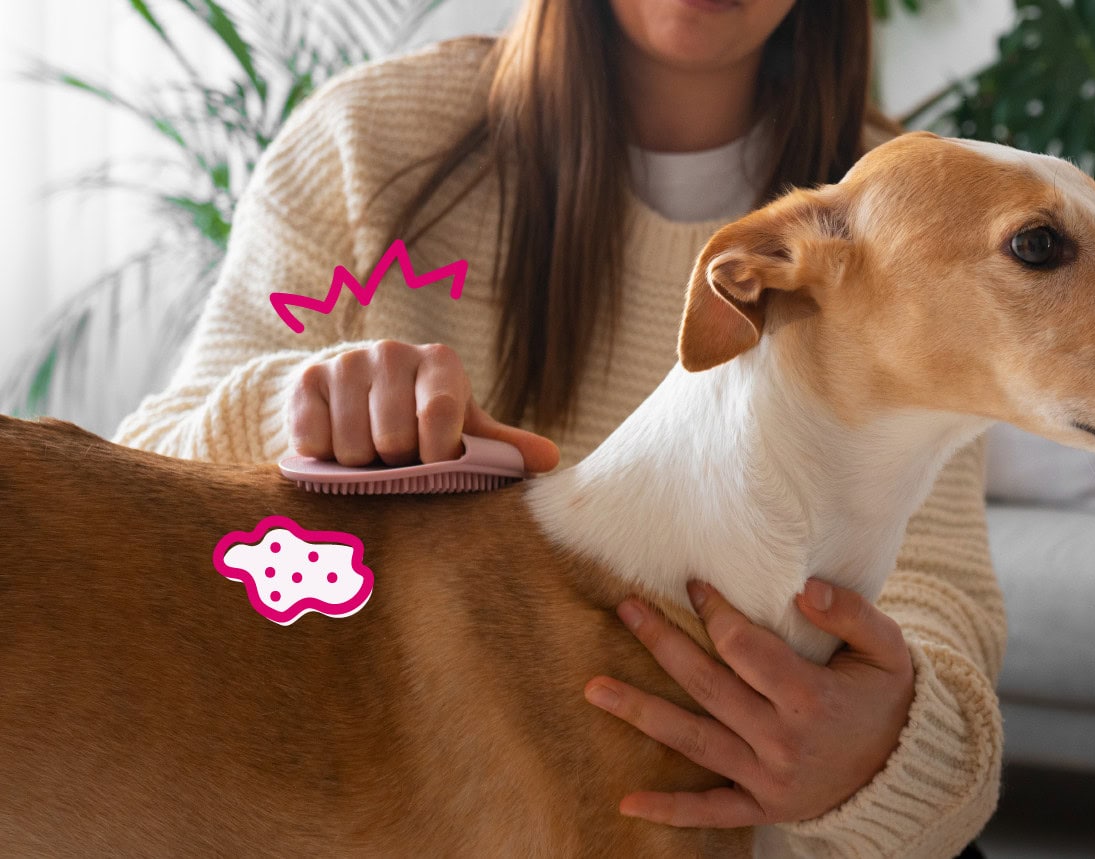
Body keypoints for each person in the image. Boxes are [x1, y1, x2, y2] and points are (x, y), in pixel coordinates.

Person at [115, 1, 1004, 855]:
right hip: (398, 796)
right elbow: (147, 478)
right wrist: (292, 406)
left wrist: (883, 748)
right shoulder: (369, 138)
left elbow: (943, 615)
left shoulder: (918, 213)